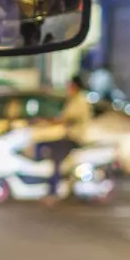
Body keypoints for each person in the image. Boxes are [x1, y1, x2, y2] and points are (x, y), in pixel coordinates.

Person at [29, 75, 93, 205]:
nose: (67, 88)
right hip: (67, 136)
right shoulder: (73, 99)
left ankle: (53, 192)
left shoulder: (80, 100)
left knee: (56, 158)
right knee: (42, 146)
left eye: (69, 85)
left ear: (75, 86)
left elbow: (68, 118)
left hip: (75, 138)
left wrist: (49, 121)